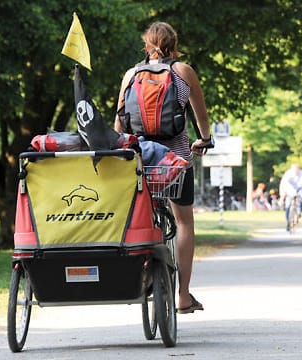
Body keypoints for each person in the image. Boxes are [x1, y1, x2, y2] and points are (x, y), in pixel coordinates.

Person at [115, 21, 213, 314]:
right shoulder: (183, 72)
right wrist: (205, 139)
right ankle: (183, 295)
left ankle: (140, 274)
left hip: (140, 160)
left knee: (137, 217)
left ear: (147, 45)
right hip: (175, 159)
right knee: (183, 222)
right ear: (174, 43)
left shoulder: (131, 75)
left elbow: (119, 124)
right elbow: (201, 115)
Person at [279, 164, 302, 231]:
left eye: (296, 170)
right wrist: (282, 197)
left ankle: (298, 213)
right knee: (288, 205)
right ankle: (288, 221)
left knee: (299, 201)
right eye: (294, 170)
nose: (295, 172)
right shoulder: (287, 175)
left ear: (299, 170)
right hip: (289, 190)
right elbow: (283, 185)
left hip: (299, 190)